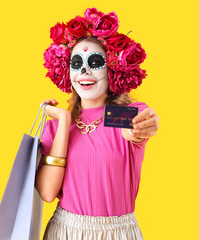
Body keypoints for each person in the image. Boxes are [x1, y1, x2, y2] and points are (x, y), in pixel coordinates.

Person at [35, 8, 160, 240]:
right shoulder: (55, 128)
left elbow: (136, 124)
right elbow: (47, 192)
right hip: (65, 232)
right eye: (76, 63)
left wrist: (145, 124)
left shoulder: (120, 115)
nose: (84, 70)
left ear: (112, 68)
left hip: (118, 233)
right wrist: (64, 120)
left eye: (95, 61)